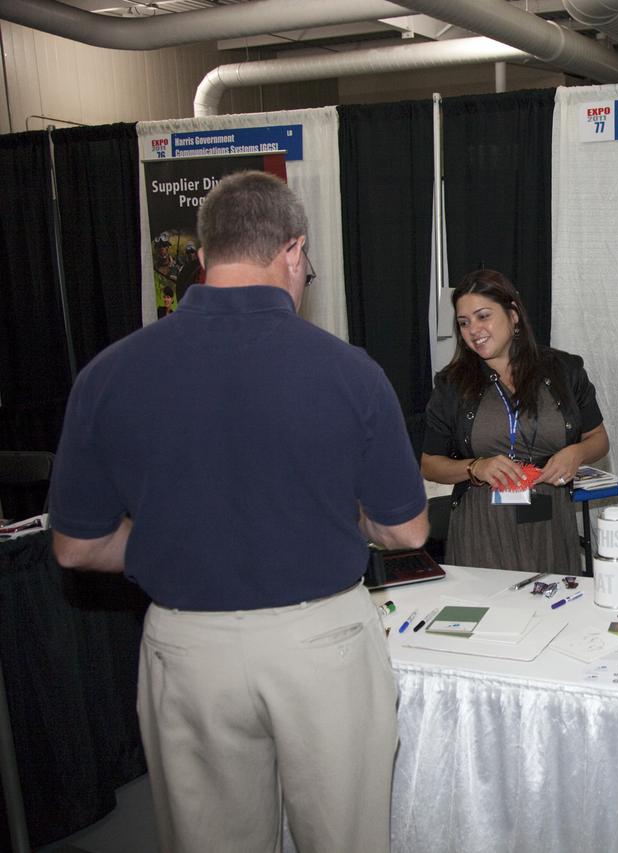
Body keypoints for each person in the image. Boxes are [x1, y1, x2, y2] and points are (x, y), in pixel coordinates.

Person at [49, 170, 427, 853]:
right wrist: (334, 517)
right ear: (294, 250)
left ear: (202, 256)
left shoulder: (107, 375)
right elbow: (405, 529)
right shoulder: (350, 372)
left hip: (187, 648)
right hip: (322, 645)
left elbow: (75, 546)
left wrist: (167, 537)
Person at [421, 269, 609, 573]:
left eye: (483, 316)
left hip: (550, 522)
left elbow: (599, 439)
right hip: (482, 528)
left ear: (513, 315)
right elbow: (429, 464)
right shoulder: (451, 384)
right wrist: (474, 467)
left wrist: (577, 452)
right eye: (464, 323)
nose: (473, 330)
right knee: (488, 603)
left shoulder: (564, 370)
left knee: (554, 599)